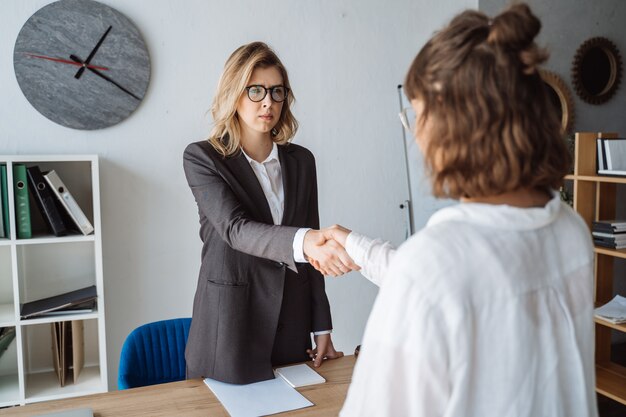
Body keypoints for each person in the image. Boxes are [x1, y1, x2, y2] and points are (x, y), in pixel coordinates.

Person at [314, 4, 597, 416]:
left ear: (456, 125)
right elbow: (473, 291)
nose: (415, 134)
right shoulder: (571, 231)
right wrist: (356, 246)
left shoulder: (434, 265)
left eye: (416, 114)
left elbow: (448, 285)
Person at [183, 42, 356, 384]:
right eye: (256, 90)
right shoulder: (203, 158)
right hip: (229, 329)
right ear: (234, 94)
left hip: (291, 326)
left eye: (277, 92)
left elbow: (313, 253)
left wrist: (321, 324)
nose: (268, 102)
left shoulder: (301, 161)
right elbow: (235, 229)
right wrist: (305, 240)